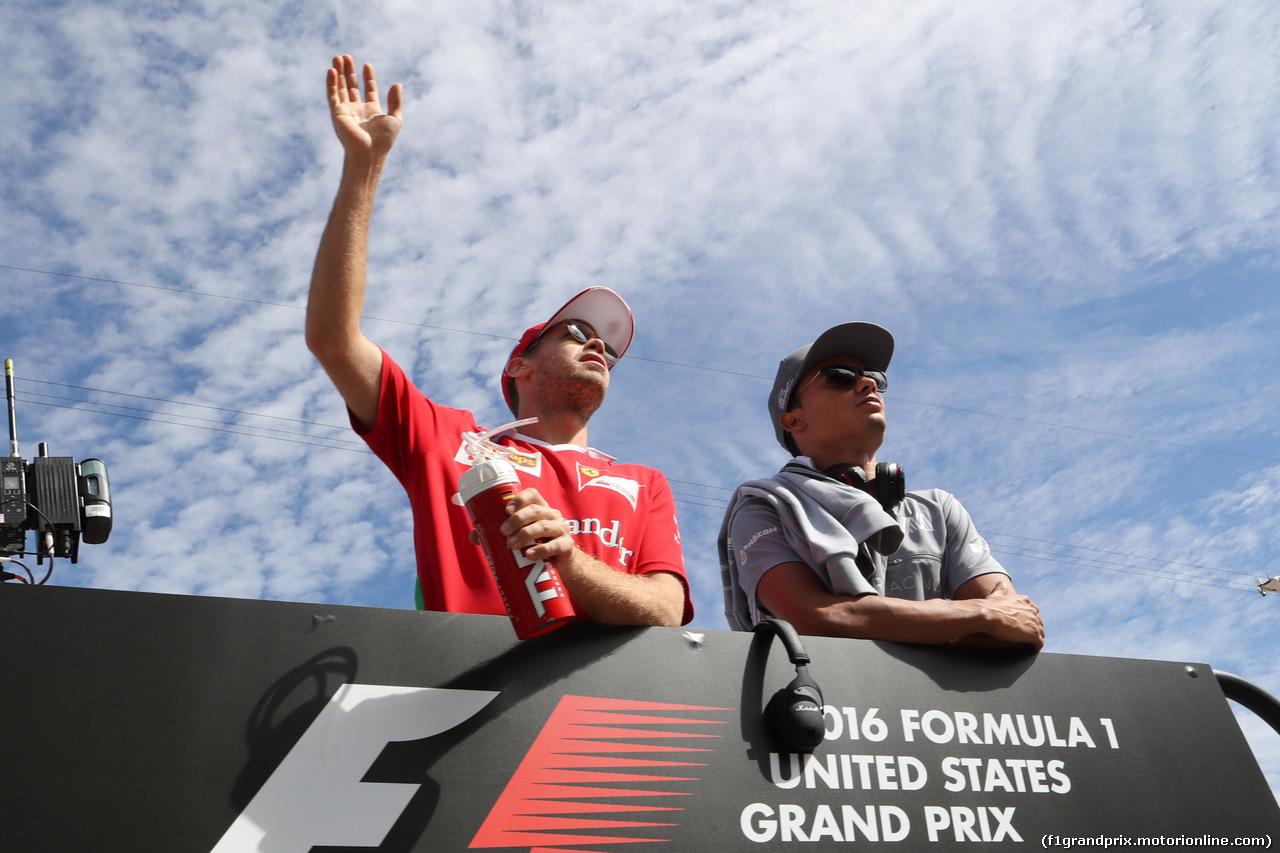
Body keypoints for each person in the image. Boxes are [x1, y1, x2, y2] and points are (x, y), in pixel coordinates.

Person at [307, 55, 690, 627]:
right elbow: (334, 341)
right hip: (473, 697)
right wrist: (364, 165)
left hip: (603, 706)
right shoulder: (449, 439)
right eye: (578, 332)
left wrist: (568, 559)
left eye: (609, 349)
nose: (598, 348)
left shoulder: (644, 483)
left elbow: (664, 610)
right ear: (519, 365)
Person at [719, 322, 1043, 649]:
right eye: (840, 377)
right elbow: (813, 618)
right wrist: (977, 615)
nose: (867, 383)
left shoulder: (938, 510)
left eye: (875, 377)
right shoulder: (764, 507)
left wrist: (885, 621)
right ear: (794, 420)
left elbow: (1017, 627)